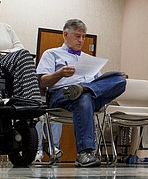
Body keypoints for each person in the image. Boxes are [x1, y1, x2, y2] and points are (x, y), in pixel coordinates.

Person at [37, 19, 127, 167]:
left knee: (120, 80)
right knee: (83, 98)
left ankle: (83, 88)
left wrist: (114, 79)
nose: (81, 40)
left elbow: (100, 82)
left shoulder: (88, 59)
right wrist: (59, 74)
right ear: (65, 35)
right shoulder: (51, 54)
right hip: (61, 95)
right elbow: (43, 82)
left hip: (90, 93)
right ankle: (84, 153)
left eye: (83, 36)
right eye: (77, 36)